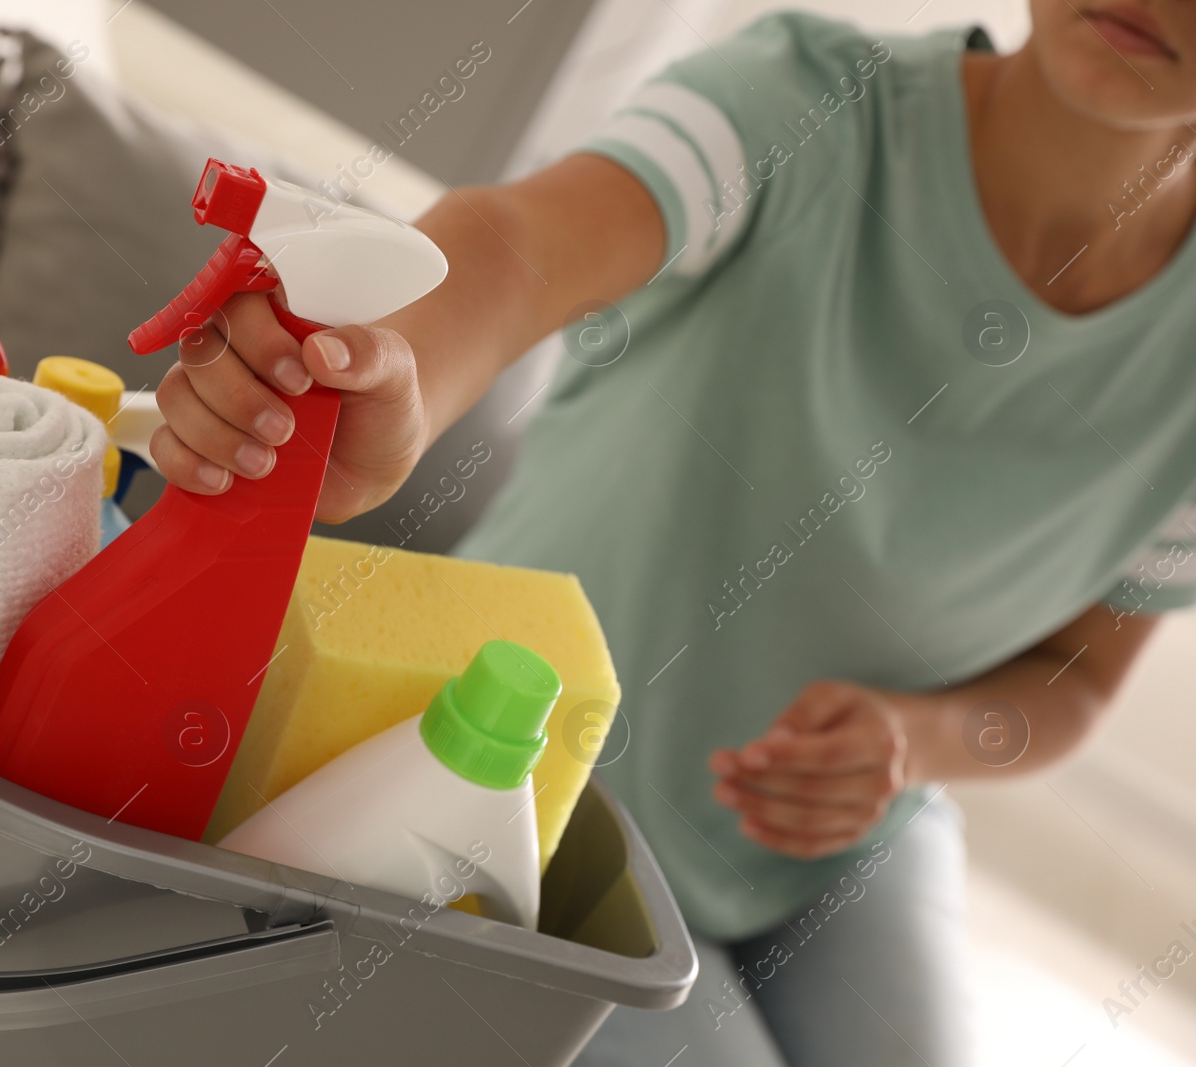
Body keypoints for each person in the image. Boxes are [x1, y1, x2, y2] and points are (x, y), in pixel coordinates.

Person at [149, 4, 1196, 1064]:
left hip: (851, 835)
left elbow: (1082, 676)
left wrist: (910, 741)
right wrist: (397, 372)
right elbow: (517, 245)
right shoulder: (803, 101)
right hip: (522, 778)